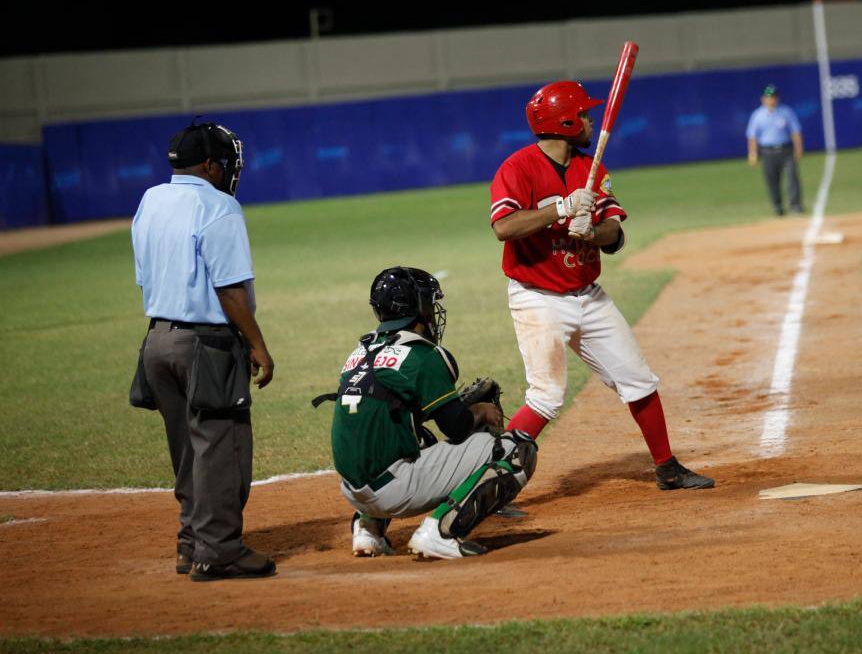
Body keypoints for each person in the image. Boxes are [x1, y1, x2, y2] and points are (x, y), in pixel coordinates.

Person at [489, 80, 714, 491]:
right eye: (585, 115)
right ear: (566, 120)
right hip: (538, 298)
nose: (591, 121)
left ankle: (667, 467)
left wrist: (592, 231)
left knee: (638, 378)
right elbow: (504, 226)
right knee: (546, 396)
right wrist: (560, 208)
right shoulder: (518, 168)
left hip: (588, 295)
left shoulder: (590, 168)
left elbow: (616, 235)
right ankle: (489, 485)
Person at [130, 121, 276, 581]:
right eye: (226, 162)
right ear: (210, 165)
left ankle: (190, 543)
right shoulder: (220, 205)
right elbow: (230, 289)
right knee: (220, 448)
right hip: (205, 343)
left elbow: (144, 276)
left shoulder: (151, 200)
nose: (230, 170)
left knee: (187, 452)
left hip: (156, 341)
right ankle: (219, 552)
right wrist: (258, 345)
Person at [315, 266, 538, 560]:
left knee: (415, 434)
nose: (433, 311)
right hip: (393, 490)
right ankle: (441, 532)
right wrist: (480, 411)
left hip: (353, 490)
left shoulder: (360, 350)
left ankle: (368, 529)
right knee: (518, 450)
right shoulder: (422, 354)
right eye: (429, 303)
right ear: (418, 307)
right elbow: (457, 428)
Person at [746, 84, 805, 215]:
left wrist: (799, 147)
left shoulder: (786, 112)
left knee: (792, 178)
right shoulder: (757, 115)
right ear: (763, 99)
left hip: (786, 150)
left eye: (773, 97)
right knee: (772, 180)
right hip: (768, 152)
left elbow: (795, 131)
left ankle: (795, 206)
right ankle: (777, 206)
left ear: (777, 98)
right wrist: (753, 153)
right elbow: (752, 136)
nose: (771, 99)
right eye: (768, 97)